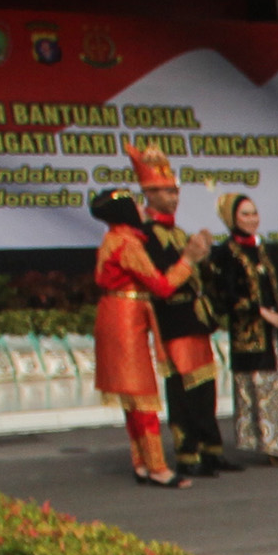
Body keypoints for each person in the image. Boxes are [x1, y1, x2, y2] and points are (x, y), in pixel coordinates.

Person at [129, 146, 223, 475]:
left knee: (205, 387)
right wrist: (190, 258)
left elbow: (198, 276)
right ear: (149, 195)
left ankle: (212, 449)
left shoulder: (179, 232)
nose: (173, 198)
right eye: (166, 192)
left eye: (174, 191)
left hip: (196, 319)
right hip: (172, 318)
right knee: (185, 390)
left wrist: (205, 257)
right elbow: (162, 284)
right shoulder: (144, 237)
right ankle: (188, 454)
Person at [90, 182, 187, 487]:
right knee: (142, 394)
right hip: (127, 319)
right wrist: (189, 262)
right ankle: (157, 466)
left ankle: (142, 462)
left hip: (113, 314)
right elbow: (161, 286)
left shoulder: (112, 238)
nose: (141, 207)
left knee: (131, 397)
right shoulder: (129, 244)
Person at [201, 193, 278, 465]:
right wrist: (259, 311)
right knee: (257, 388)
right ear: (231, 218)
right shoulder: (225, 253)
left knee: (276, 388)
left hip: (275, 332)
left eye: (254, 213)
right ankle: (268, 445)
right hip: (250, 333)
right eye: (244, 214)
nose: (252, 219)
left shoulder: (267, 250)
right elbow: (225, 294)